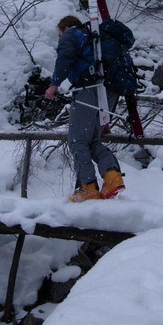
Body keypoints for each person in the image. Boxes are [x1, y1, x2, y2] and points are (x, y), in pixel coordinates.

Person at [44, 15, 125, 202]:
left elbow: (64, 57)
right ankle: (112, 178)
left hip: (89, 88)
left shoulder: (71, 34)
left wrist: (54, 84)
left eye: (59, 33)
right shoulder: (93, 38)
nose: (59, 37)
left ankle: (87, 187)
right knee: (92, 140)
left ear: (64, 27)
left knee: (77, 141)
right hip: (110, 90)